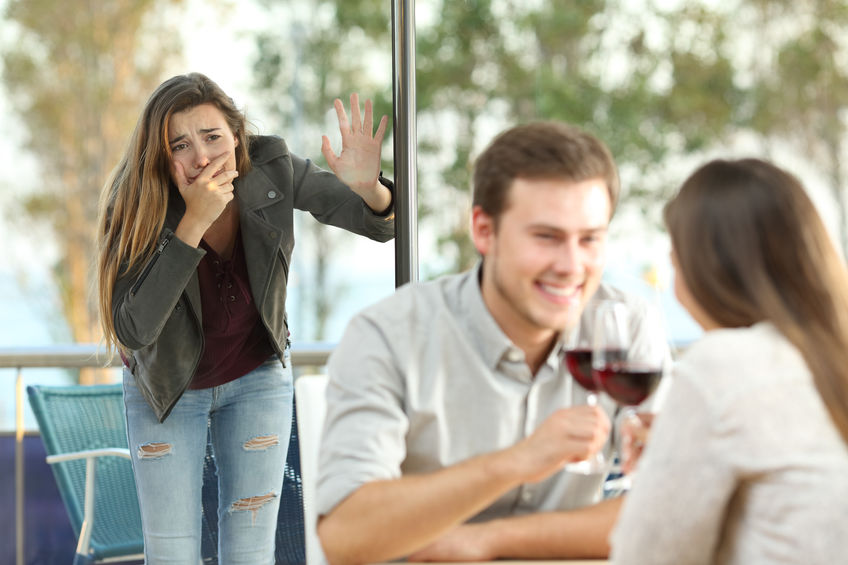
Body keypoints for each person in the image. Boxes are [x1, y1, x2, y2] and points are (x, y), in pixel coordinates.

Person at [317, 121, 654, 565]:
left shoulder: (623, 327)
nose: (572, 265)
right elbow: (346, 536)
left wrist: (485, 540)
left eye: (590, 239)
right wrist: (517, 461)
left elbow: (666, 514)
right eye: (546, 237)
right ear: (483, 230)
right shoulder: (389, 336)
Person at [95, 72, 394, 563]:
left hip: (257, 378)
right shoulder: (136, 202)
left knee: (250, 552)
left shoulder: (272, 167)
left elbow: (380, 224)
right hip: (166, 391)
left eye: (213, 137)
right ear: (160, 156)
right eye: (181, 145)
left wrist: (371, 189)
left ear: (237, 135)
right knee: (172, 555)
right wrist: (194, 221)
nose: (203, 156)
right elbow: (133, 330)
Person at [610, 158, 848, 564]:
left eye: (674, 256)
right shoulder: (827, 358)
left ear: (706, 267)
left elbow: (645, 558)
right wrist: (681, 450)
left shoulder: (726, 363)